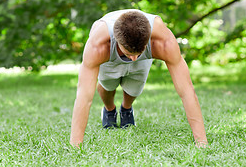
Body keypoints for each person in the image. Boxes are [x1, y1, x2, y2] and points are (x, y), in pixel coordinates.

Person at [70, 9, 208, 147]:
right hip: (110, 58)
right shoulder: (98, 45)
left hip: (143, 54)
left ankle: (126, 109)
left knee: (134, 89)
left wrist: (201, 142)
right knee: (108, 85)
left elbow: (187, 91)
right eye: (129, 53)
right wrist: (75, 146)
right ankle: (109, 110)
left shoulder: (163, 41)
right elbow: (84, 97)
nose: (134, 58)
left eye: (139, 52)